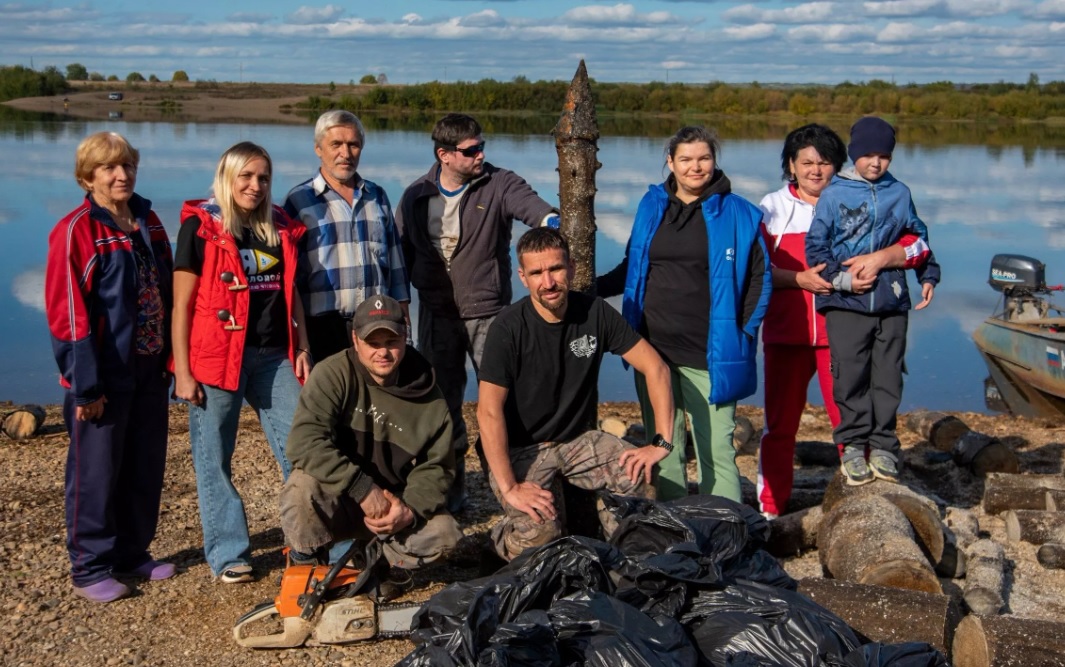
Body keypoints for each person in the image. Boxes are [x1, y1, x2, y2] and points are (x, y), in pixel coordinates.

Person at [757, 123, 932, 516]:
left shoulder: (862, 202)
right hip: (788, 334)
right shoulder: (771, 208)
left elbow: (913, 240)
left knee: (850, 420)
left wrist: (895, 261)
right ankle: (771, 507)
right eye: (807, 163)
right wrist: (798, 278)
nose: (816, 171)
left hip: (842, 332)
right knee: (780, 427)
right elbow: (758, 272)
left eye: (825, 163)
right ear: (791, 165)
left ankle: (862, 507)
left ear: (840, 165)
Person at [478, 228, 675, 562]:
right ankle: (496, 542)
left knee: (636, 473)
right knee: (541, 534)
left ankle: (623, 556)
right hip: (521, 448)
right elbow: (488, 413)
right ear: (523, 277)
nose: (549, 282)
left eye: (555, 269)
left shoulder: (594, 312)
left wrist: (661, 443)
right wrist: (511, 488)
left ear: (570, 267)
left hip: (575, 441)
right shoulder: (507, 328)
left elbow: (656, 369)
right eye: (537, 273)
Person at [395, 113, 559, 514]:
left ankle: (512, 492)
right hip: (436, 315)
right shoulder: (416, 194)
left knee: (502, 405)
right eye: (471, 150)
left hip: (490, 315)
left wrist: (555, 224)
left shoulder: (499, 183)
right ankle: (451, 499)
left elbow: (536, 211)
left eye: (482, 146)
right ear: (445, 155)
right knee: (441, 408)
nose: (481, 154)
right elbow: (400, 250)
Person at [598, 126, 771, 503]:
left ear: (715, 161)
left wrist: (743, 331)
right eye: (686, 159)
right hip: (651, 349)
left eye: (704, 158)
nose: (696, 167)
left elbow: (761, 279)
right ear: (670, 162)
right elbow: (634, 266)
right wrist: (591, 291)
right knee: (665, 446)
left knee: (718, 453)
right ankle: (674, 528)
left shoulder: (740, 214)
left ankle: (725, 532)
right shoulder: (651, 205)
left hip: (711, 353)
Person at [171, 141, 311, 583]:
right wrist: (182, 371)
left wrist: (303, 345)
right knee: (215, 457)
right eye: (246, 176)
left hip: (274, 357)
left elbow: (294, 294)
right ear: (227, 178)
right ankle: (229, 553)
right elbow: (182, 306)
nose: (255, 185)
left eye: (263, 177)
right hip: (216, 358)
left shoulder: (280, 227)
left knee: (303, 449)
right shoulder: (202, 228)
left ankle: (308, 540)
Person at [45, 131, 176, 603]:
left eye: (128, 166)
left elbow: (169, 290)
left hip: (149, 368)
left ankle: (132, 552)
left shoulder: (148, 220)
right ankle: (89, 566)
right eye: (109, 168)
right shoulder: (76, 229)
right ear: (88, 176)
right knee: (95, 473)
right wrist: (85, 385)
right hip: (103, 375)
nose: (122, 175)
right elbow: (69, 313)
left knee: (144, 464)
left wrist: (174, 358)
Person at [280, 295, 463, 581]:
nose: (383, 352)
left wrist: (409, 510)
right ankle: (306, 563)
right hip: (338, 498)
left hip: (391, 506)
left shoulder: (429, 394)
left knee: (446, 534)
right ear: (355, 339)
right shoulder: (332, 373)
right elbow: (304, 442)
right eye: (373, 343)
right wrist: (362, 488)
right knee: (301, 487)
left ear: (405, 336)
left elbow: (438, 467)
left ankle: (380, 565)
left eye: (391, 342)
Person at [806, 116, 941, 486]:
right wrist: (843, 280)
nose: (876, 163)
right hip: (845, 305)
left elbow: (918, 239)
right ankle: (852, 445)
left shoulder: (900, 193)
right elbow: (815, 248)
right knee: (849, 377)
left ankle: (883, 446)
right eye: (868, 155)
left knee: (888, 377)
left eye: (884, 156)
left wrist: (927, 274)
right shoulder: (834, 194)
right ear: (854, 155)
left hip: (892, 302)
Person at [284, 110, 410, 361]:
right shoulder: (298, 201)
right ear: (319, 148)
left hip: (376, 323)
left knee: (374, 398)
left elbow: (395, 264)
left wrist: (403, 316)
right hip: (322, 325)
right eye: (336, 144)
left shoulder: (377, 196)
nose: (346, 153)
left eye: (353, 144)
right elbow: (290, 277)